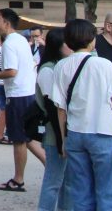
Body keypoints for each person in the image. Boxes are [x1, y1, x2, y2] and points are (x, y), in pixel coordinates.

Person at [52, 18, 112, 211]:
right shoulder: (104, 65)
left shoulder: (61, 66)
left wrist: (63, 140)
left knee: (79, 192)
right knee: (107, 191)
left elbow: (61, 108)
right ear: (92, 40)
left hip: (75, 132)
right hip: (103, 130)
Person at [0, 9, 45, 192]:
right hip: (27, 93)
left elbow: (11, 71)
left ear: (7, 23)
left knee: (19, 139)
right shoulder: (20, 40)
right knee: (26, 137)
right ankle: (51, 166)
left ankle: (18, 179)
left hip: (18, 95)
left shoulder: (10, 43)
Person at [36, 27, 72, 211]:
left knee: (65, 181)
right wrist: (60, 139)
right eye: (67, 43)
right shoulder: (48, 70)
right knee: (54, 180)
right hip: (54, 132)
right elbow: (52, 107)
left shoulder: (60, 66)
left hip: (61, 131)